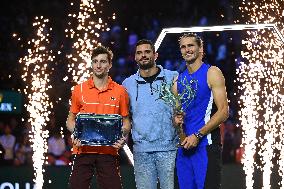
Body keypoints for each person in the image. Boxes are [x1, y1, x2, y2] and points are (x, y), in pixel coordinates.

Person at [66, 45, 131, 189]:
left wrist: (122, 136)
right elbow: (70, 120)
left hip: (108, 151)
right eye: (95, 61)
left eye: (102, 61)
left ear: (109, 64)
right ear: (91, 63)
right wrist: (75, 132)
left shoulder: (120, 91)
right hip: (83, 150)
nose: (98, 65)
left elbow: (126, 122)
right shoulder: (79, 89)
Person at [173, 33, 229, 189]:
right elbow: (178, 120)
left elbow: (224, 111)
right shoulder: (178, 82)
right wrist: (177, 126)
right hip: (184, 151)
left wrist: (198, 135)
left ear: (200, 48)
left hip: (206, 146)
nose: (187, 49)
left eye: (190, 45)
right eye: (183, 47)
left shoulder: (212, 72)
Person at [122, 39, 178, 189]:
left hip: (170, 149)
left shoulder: (172, 77)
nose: (143, 55)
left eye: (147, 52)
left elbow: (182, 110)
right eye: (139, 53)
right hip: (142, 152)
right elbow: (126, 117)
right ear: (135, 57)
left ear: (155, 55)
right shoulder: (127, 84)